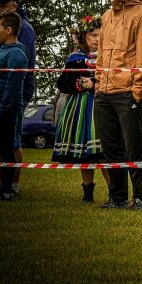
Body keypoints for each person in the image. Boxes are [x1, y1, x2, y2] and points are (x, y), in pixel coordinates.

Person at [95, 0, 142, 210]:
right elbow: (99, 54)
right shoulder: (107, 16)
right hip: (104, 91)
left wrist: (137, 92)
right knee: (110, 148)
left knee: (134, 148)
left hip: (127, 91)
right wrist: (99, 85)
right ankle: (117, 197)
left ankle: (141, 198)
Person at [0, 0, 36, 198]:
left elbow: (21, 67)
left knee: (10, 140)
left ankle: (11, 185)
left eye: (2, 7)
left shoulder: (24, 30)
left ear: (14, 6)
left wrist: (11, 102)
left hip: (14, 90)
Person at [52, 15, 110, 203]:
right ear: (84, 37)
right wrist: (79, 83)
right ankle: (87, 193)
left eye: (100, 35)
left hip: (102, 105)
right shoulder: (75, 59)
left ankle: (114, 192)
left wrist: (94, 82)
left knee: (103, 153)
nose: (96, 39)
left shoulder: (109, 57)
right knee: (85, 153)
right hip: (79, 108)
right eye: (93, 35)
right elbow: (62, 82)